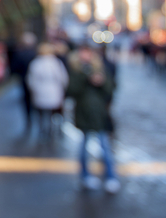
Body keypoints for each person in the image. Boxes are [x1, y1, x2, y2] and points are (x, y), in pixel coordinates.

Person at [68, 45, 119, 193]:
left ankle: (111, 176)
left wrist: (101, 82)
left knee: (105, 147)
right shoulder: (76, 71)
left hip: (100, 114)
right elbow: (71, 90)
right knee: (84, 147)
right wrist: (85, 78)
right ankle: (85, 175)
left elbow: (110, 89)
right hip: (83, 113)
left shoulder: (101, 68)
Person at [26, 43, 69, 137]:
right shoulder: (56, 62)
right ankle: (52, 129)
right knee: (53, 113)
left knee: (41, 114)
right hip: (54, 92)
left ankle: (43, 130)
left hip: (40, 92)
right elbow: (63, 78)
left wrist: (34, 90)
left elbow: (31, 80)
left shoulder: (35, 63)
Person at [8, 32, 38, 131]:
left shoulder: (20, 53)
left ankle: (29, 118)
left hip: (24, 80)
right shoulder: (35, 53)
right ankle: (36, 117)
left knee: (27, 99)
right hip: (36, 81)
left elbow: (14, 67)